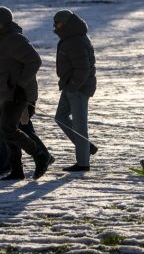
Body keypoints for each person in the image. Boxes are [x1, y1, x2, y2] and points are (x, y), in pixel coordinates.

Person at [0, 6, 53, 181]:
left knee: (9, 130)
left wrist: (19, 84)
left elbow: (34, 61)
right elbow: (4, 70)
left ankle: (41, 156)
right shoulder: (2, 40)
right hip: (5, 94)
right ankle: (17, 171)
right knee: (8, 132)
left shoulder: (14, 39)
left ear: (0, 22)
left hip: (17, 94)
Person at [52, 9, 98, 172]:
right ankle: (87, 146)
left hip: (78, 88)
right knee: (60, 117)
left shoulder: (76, 40)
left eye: (57, 23)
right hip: (70, 86)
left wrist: (73, 86)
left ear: (66, 23)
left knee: (80, 127)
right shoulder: (70, 38)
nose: (55, 26)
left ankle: (83, 163)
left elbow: (83, 69)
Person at [0, 75, 52, 176]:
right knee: (22, 128)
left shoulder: (17, 59)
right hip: (11, 93)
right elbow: (1, 72)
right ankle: (44, 156)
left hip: (16, 95)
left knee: (7, 129)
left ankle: (4, 165)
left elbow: (8, 72)